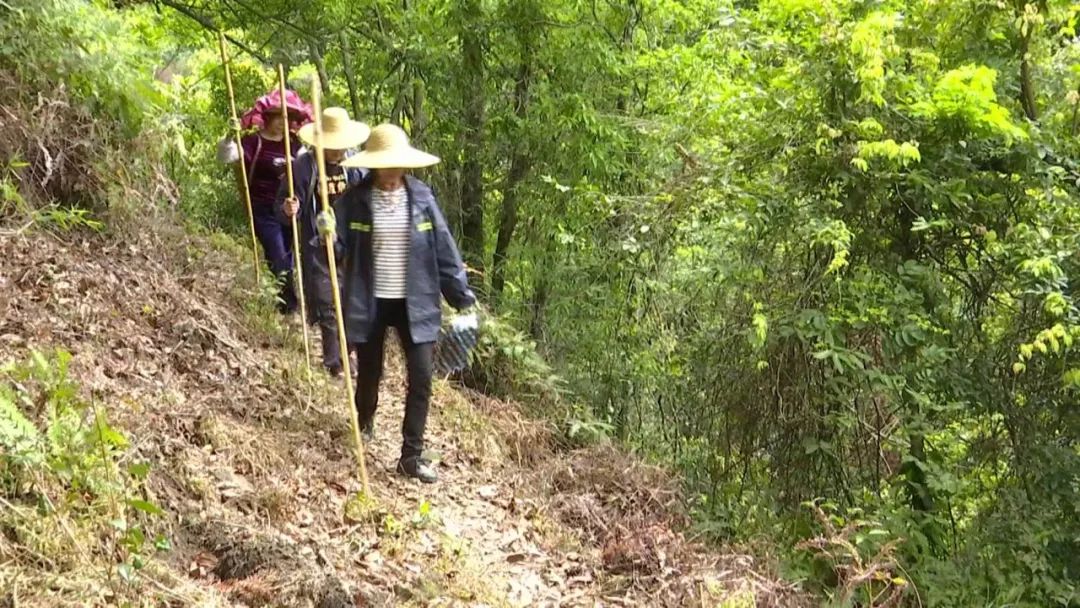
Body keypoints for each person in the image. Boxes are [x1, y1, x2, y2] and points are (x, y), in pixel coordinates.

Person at [321, 124, 476, 483]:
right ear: (374, 165)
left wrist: (462, 298)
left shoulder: (421, 198)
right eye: (385, 165)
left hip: (416, 302)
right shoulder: (354, 201)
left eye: (397, 164)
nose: (392, 172)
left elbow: (443, 249)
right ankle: (364, 420)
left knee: (421, 377)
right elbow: (336, 251)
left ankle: (411, 455)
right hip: (370, 300)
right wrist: (326, 233)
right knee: (370, 373)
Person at [276, 107, 370, 377]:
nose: (338, 151)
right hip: (317, 244)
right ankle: (334, 361)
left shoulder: (356, 167)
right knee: (328, 303)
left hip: (350, 242)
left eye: (341, 145)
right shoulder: (303, 167)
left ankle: (347, 352)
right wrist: (289, 209)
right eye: (332, 145)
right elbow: (283, 207)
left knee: (352, 302)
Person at [217, 89, 313, 314]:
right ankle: (290, 304)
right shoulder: (253, 142)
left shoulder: (294, 144)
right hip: (262, 208)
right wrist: (229, 137)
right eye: (277, 117)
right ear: (268, 117)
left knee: (287, 255)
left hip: (287, 208)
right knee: (277, 252)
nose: (281, 123)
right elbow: (226, 156)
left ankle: (284, 302)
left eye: (286, 118)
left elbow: (306, 170)